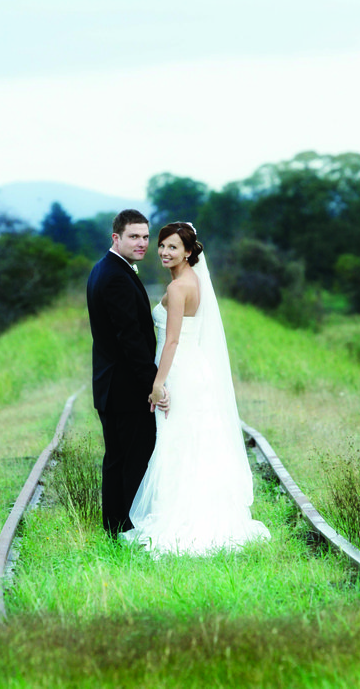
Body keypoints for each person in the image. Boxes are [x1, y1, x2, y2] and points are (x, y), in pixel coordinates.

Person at [121, 222, 271, 555]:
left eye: (172, 247)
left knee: (178, 443)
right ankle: (202, 511)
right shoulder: (193, 281)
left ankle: (182, 518)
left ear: (189, 252)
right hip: (193, 369)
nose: (163, 251)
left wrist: (158, 384)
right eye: (161, 245)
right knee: (193, 442)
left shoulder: (178, 289)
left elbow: (172, 340)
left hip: (179, 373)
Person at [86, 209, 168, 537]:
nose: (142, 243)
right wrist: (154, 383)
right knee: (134, 457)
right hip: (125, 388)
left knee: (118, 458)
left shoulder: (104, 269)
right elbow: (130, 338)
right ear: (116, 237)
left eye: (146, 237)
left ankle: (115, 526)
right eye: (134, 236)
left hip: (111, 385)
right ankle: (129, 528)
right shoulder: (116, 276)